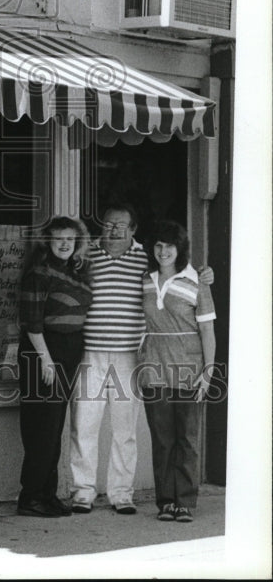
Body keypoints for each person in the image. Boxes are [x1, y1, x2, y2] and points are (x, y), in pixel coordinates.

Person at [69, 204, 213, 515]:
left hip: (131, 355)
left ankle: (121, 493)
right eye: (108, 224)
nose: (113, 229)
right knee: (85, 423)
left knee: (125, 429)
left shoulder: (144, 259)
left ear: (134, 230)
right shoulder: (87, 256)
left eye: (121, 224)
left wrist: (204, 272)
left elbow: (176, 266)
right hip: (91, 352)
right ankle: (82, 491)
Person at [138, 220, 216, 523]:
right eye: (158, 245)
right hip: (154, 364)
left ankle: (185, 501)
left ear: (180, 248)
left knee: (187, 437)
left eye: (169, 245)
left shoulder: (197, 280)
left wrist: (208, 373)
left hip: (189, 365)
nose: (163, 251)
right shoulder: (146, 278)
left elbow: (207, 330)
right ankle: (166, 501)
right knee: (162, 438)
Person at [16, 216, 93, 518]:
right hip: (43, 352)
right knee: (41, 429)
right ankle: (31, 496)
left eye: (70, 239)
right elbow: (32, 323)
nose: (64, 243)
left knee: (54, 427)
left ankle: (47, 495)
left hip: (69, 351)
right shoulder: (38, 273)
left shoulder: (74, 271)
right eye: (59, 238)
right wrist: (46, 361)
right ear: (48, 241)